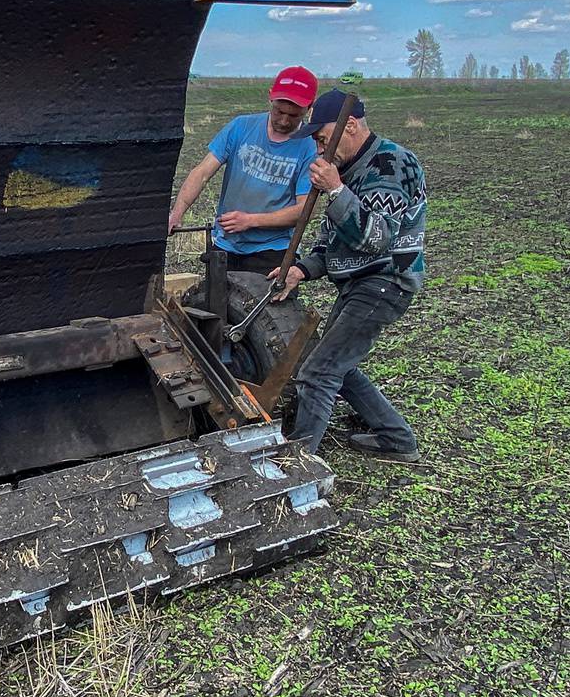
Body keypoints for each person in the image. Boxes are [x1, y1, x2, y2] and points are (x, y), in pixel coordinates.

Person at [272, 88, 427, 462]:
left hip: (384, 282)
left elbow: (376, 239)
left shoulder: (390, 165)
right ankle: (396, 439)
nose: (320, 151)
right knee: (339, 364)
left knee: (319, 372)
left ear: (351, 126)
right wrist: (301, 270)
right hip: (360, 283)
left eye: (324, 140)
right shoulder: (351, 170)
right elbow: (334, 243)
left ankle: (298, 464)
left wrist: (336, 189)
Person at [166, 66, 319, 380]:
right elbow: (202, 172)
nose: (285, 120)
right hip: (226, 247)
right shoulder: (241, 128)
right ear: (270, 99)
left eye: (295, 114)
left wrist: (252, 221)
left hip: (272, 255)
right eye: (280, 110)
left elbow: (304, 211)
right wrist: (176, 212)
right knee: (214, 322)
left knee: (271, 335)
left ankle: (265, 392)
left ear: (309, 109)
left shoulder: (309, 148)